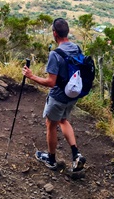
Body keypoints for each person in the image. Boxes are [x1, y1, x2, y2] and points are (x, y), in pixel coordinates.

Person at [22, 18, 86, 172]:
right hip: (72, 94)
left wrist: (31, 76)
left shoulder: (55, 54)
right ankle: (76, 154)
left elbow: (51, 82)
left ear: (55, 33)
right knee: (63, 120)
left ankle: (51, 159)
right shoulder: (77, 48)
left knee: (51, 125)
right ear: (68, 32)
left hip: (58, 96)